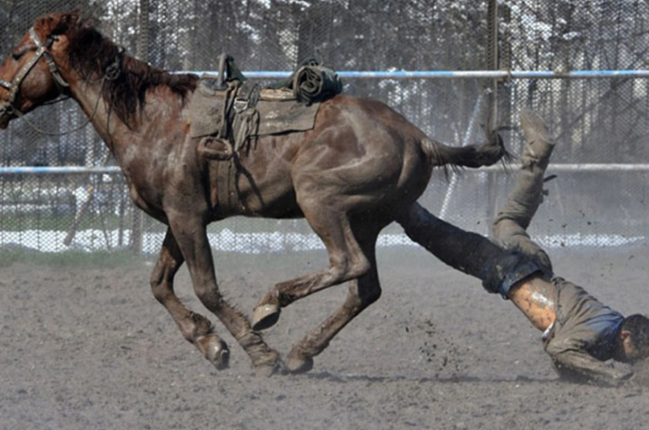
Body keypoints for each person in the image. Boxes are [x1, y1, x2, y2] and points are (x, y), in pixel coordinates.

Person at [397, 110, 649, 386]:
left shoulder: (609, 322)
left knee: (509, 220)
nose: (633, 361)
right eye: (636, 354)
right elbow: (558, 349)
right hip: (513, 272)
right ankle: (395, 199)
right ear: (626, 336)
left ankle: (536, 157)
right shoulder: (600, 332)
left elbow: (565, 362)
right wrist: (615, 377)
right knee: (430, 233)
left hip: (538, 270)